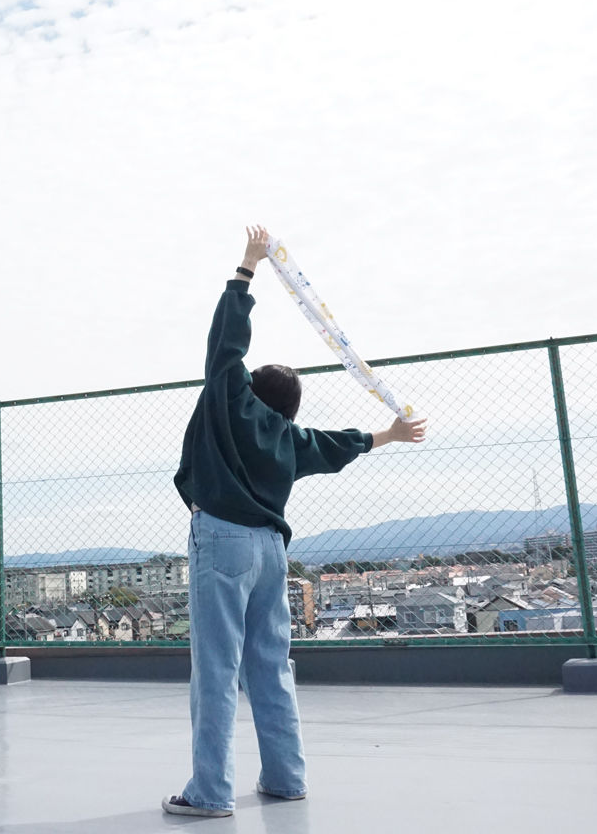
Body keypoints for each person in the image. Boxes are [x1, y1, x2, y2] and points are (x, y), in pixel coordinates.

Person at [162, 225, 427, 818]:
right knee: (269, 666)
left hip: (222, 543)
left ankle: (209, 792)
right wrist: (390, 433)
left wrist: (246, 269)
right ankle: (285, 778)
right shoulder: (291, 438)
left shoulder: (230, 400)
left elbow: (224, 346)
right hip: (270, 553)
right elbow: (337, 444)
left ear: (253, 389)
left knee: (216, 669)